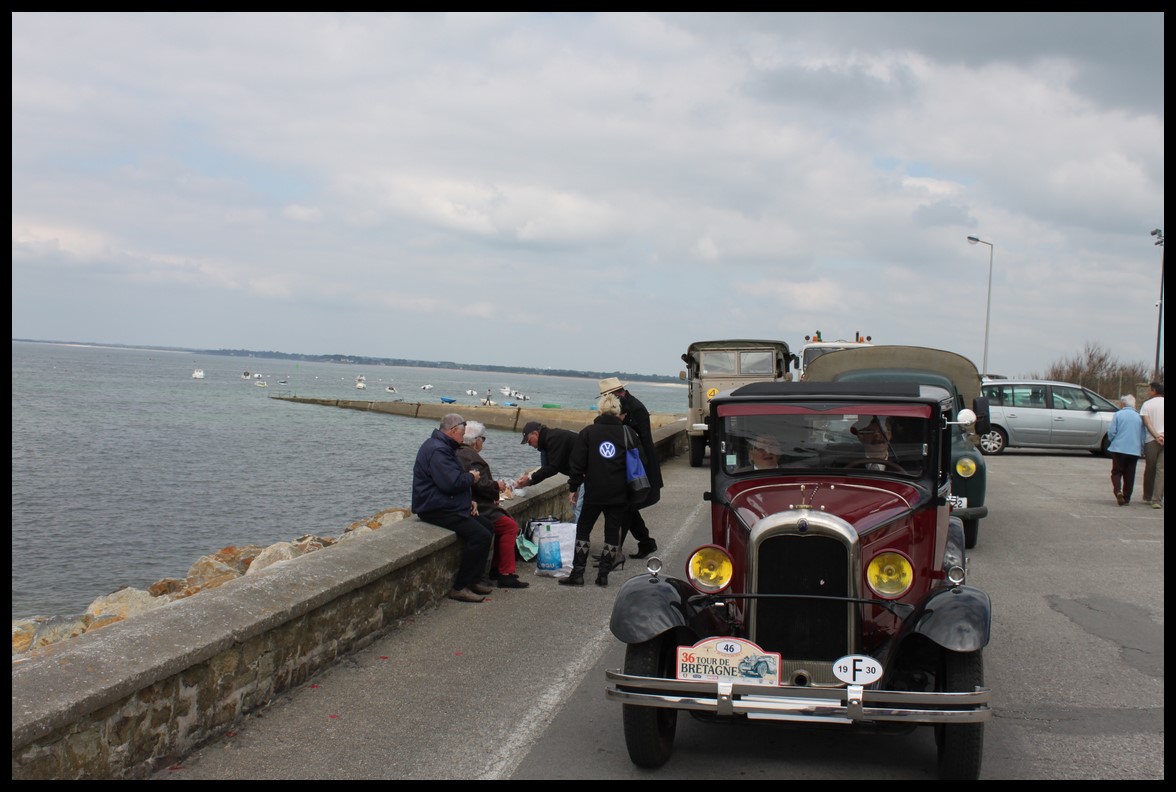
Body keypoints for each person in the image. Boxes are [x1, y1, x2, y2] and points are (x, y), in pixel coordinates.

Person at [411, 413, 494, 603]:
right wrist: (472, 477)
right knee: (480, 536)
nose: (463, 439)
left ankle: (474, 579)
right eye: (461, 434)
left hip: (446, 504)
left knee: (487, 526)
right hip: (434, 508)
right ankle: (459, 587)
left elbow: (451, 481)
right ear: (452, 431)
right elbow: (452, 483)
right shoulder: (438, 451)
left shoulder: (444, 447)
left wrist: (468, 500)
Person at [563, 392, 641, 587]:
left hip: (594, 491)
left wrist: (573, 487)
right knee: (612, 532)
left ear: (600, 410)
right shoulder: (628, 433)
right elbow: (640, 462)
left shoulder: (588, 432)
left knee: (583, 529)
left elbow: (577, 464)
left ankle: (578, 574)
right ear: (618, 412)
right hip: (619, 492)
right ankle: (603, 574)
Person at [456, 421, 529, 589]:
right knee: (509, 526)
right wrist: (497, 487)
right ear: (476, 440)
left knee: (503, 526)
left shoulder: (458, 452)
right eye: (483, 439)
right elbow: (479, 484)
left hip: (471, 501)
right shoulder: (473, 457)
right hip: (479, 506)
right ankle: (505, 574)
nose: (483, 442)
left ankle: (498, 569)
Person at [599, 377, 661, 559]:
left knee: (626, 508)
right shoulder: (629, 405)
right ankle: (646, 543)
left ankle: (615, 551)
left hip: (638, 465)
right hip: (634, 463)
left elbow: (639, 442)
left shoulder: (635, 409)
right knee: (628, 508)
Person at [515, 420, 584, 519]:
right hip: (579, 476)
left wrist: (530, 478)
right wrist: (529, 481)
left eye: (529, 441)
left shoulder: (554, 438)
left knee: (579, 510)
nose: (530, 445)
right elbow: (545, 469)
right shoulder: (545, 443)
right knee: (577, 508)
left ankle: (578, 533)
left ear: (535, 434)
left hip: (588, 474)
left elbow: (553, 468)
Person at [1106, 395, 1145, 506]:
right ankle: (1127, 497)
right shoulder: (1139, 417)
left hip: (1119, 448)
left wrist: (1112, 440)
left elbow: (1112, 431)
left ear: (1123, 404)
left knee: (1116, 471)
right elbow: (1142, 435)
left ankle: (1118, 491)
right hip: (1134, 449)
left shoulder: (1118, 415)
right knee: (1130, 474)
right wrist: (1142, 449)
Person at [1140, 381, 1165, 509]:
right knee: (1162, 470)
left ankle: (1148, 496)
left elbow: (1147, 423)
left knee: (1150, 468)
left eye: (1149, 390)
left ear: (1154, 390)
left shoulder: (1146, 405)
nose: (1148, 392)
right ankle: (1157, 499)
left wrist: (1156, 436)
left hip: (1151, 440)